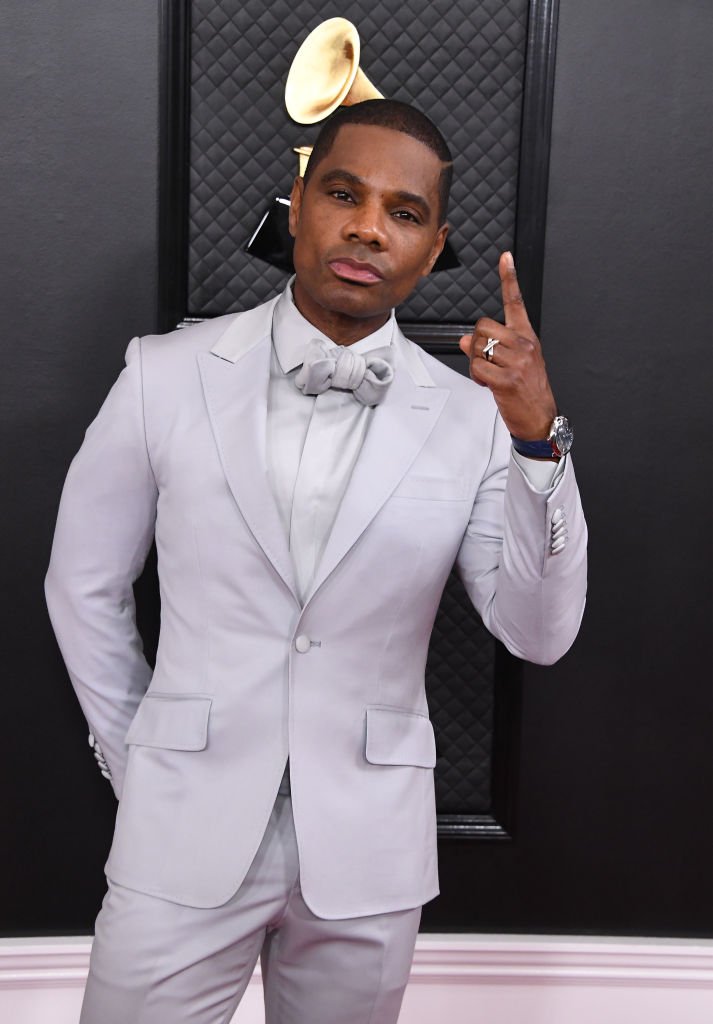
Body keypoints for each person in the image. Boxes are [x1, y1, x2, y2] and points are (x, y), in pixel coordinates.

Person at [45, 99, 587, 1024]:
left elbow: (536, 635)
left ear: (432, 245)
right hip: (179, 829)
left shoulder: (471, 420)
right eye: (343, 193)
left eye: (404, 214)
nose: (368, 227)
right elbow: (82, 585)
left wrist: (539, 441)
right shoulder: (163, 374)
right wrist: (145, 761)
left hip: (369, 850)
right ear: (297, 203)